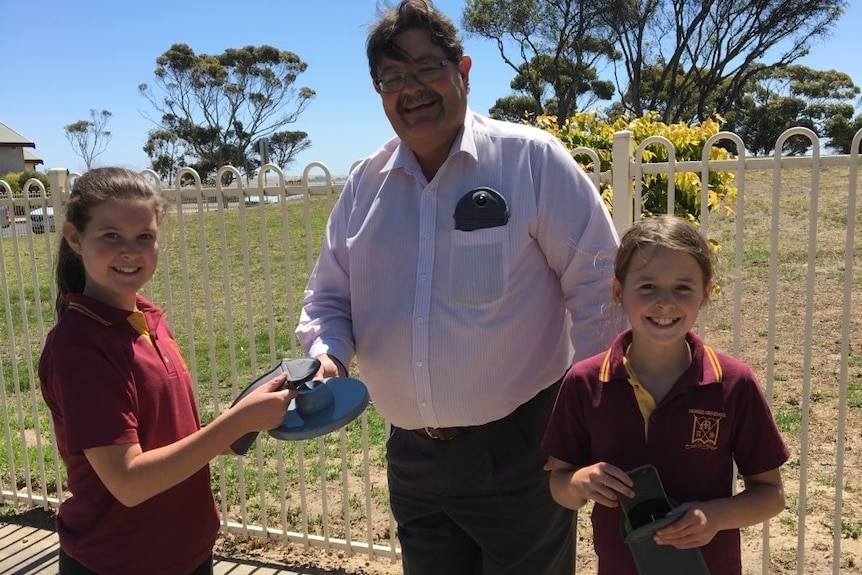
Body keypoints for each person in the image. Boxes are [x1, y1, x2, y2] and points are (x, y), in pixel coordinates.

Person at [294, 1, 621, 573]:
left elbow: (597, 289)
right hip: (412, 458)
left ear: (463, 71)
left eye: (426, 68)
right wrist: (327, 357)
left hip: (522, 452)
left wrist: (594, 417)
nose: (411, 89)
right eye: (393, 78)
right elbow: (329, 296)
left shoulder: (530, 161)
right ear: (379, 92)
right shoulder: (364, 188)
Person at [38, 167, 296, 575]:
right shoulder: (79, 346)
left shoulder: (148, 320)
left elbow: (174, 440)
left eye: (145, 237)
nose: (130, 250)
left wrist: (244, 421)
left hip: (186, 551)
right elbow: (129, 482)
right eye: (111, 236)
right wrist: (234, 423)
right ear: (75, 238)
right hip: (118, 561)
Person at [542, 215, 790, 575]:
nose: (664, 303)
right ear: (618, 291)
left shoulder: (734, 384)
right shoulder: (584, 382)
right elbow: (559, 484)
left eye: (682, 288)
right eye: (647, 287)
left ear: (705, 293)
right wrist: (580, 482)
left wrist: (715, 516)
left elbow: (771, 495)